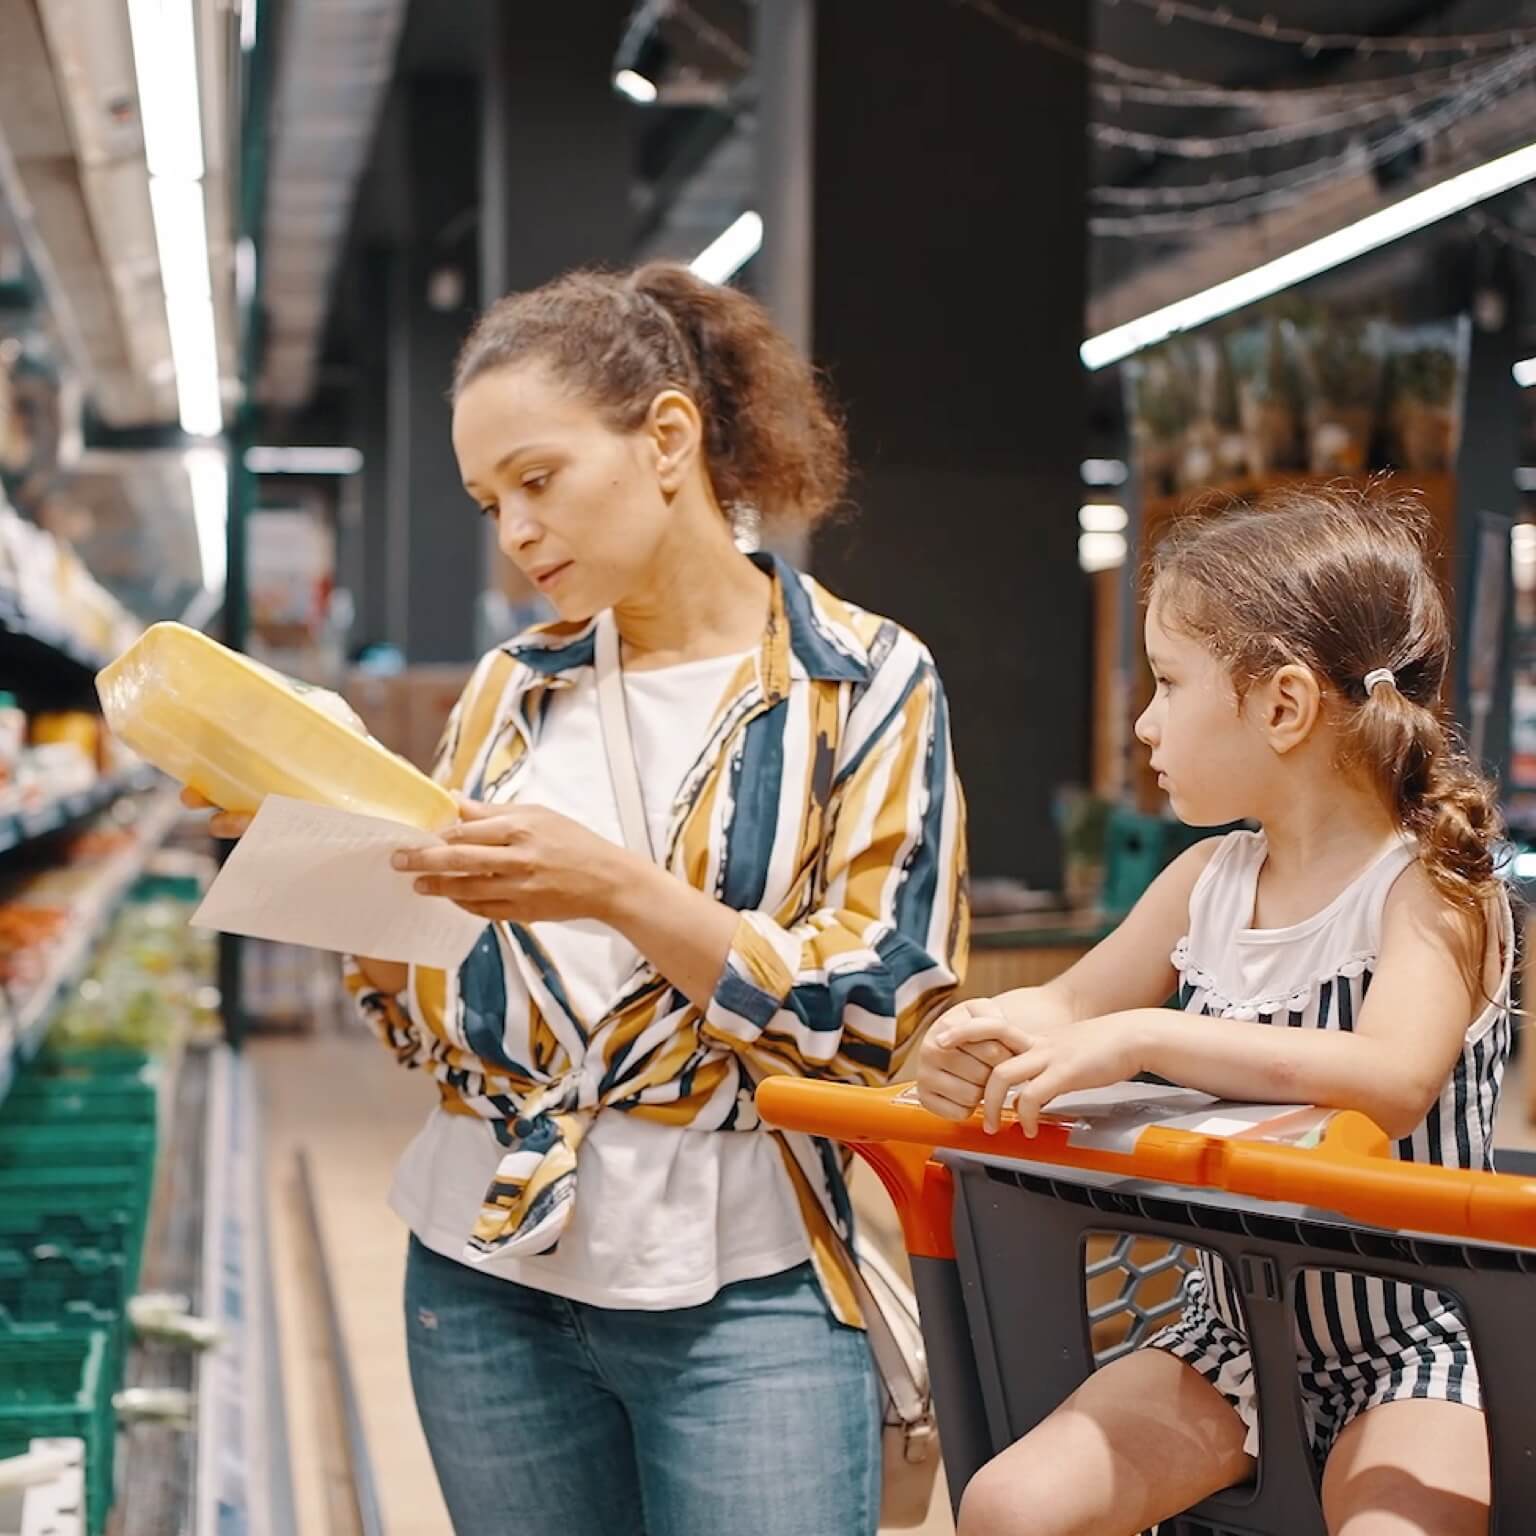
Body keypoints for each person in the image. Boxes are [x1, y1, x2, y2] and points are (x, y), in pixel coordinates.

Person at [193, 263, 968, 1536]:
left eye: (538, 481)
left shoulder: (862, 684)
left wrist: (613, 890)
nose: (516, 533)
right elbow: (418, 1005)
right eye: (490, 501)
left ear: (668, 438)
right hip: (478, 1274)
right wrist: (332, 858)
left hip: (746, 1292)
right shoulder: (513, 686)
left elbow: (882, 1008)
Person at [916, 487, 1510, 1536]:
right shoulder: (1205, 882)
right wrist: (967, 1041)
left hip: (1417, 1341)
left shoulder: (1432, 887)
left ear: (1280, 705)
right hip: (1226, 1337)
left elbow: (1393, 1074)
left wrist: (1143, 1037)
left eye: (1166, 683)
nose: (1143, 721)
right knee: (1007, 1505)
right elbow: (1061, 1004)